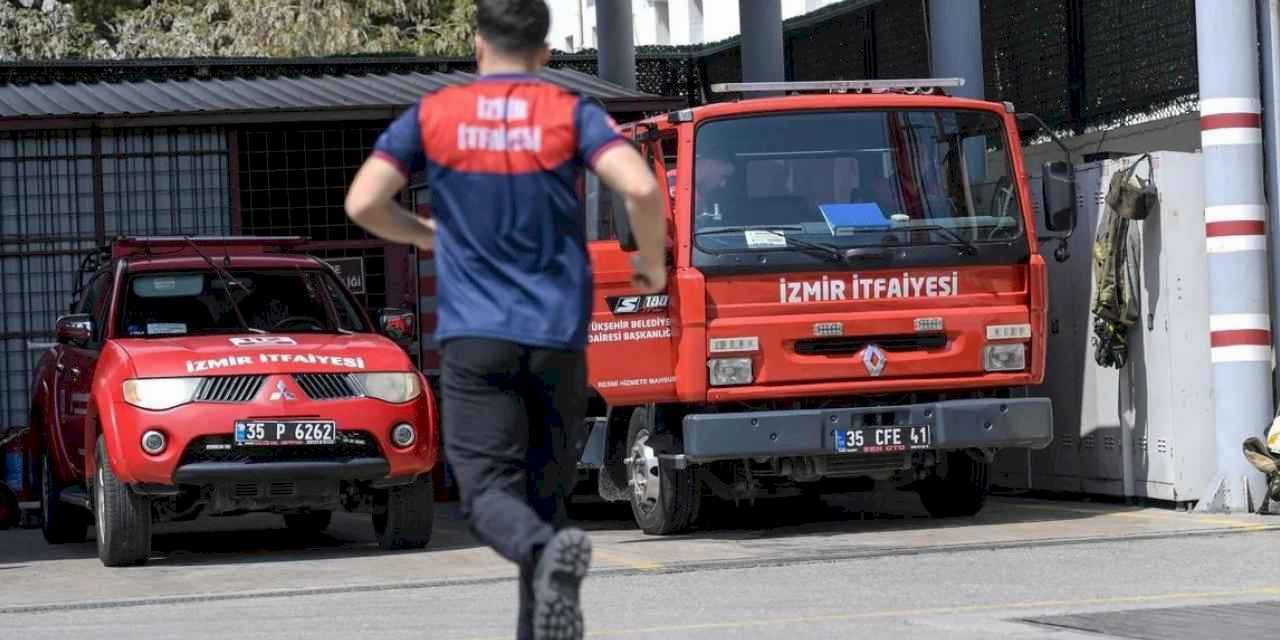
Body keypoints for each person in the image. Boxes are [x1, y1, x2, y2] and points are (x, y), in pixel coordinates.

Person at [342, 1, 667, 638]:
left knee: (490, 497)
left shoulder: (434, 115)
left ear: (476, 45)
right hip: (558, 344)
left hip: (478, 340)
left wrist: (424, 233)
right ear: (545, 53)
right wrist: (651, 264)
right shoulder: (571, 113)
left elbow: (364, 201)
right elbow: (644, 188)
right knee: (545, 503)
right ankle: (549, 567)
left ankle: (547, 556)